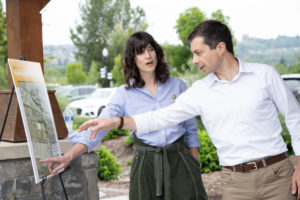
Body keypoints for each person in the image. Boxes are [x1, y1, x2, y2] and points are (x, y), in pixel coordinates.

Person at [79, 20, 300, 200]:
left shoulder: (265, 75)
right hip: (235, 184)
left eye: (199, 53)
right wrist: (117, 122)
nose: (194, 61)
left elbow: (295, 118)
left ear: (220, 48)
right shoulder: (200, 91)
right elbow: (160, 118)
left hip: (278, 177)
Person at [40, 31, 208, 200]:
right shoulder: (125, 94)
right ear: (133, 59)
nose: (148, 56)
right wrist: (68, 156)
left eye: (151, 49)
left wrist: (194, 162)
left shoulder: (177, 85)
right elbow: (100, 127)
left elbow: (190, 128)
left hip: (180, 160)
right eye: (141, 52)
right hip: (146, 165)